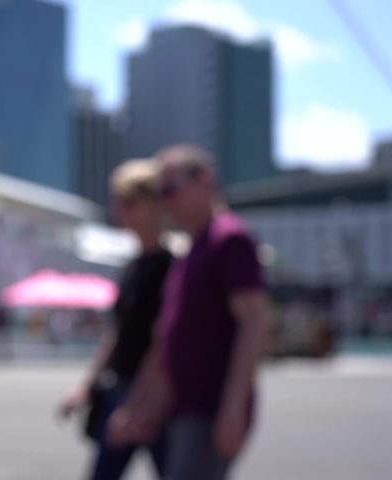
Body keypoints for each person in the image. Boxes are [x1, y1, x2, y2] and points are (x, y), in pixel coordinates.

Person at [107, 145, 271, 480]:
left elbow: (253, 321)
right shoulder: (192, 250)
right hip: (185, 409)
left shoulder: (230, 239)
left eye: (169, 190)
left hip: (209, 409)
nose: (163, 202)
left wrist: (232, 406)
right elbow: (168, 341)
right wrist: (141, 406)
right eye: (158, 194)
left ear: (204, 180)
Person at [58, 158, 173, 480]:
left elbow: (163, 342)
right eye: (119, 201)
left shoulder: (167, 266)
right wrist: (85, 387)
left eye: (129, 202)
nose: (120, 209)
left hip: (152, 396)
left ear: (153, 205)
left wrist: (138, 405)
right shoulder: (134, 264)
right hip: (119, 388)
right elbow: (118, 333)